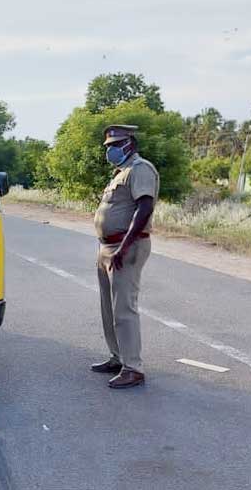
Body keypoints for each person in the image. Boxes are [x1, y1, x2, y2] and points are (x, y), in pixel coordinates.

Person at [92, 124, 159, 389]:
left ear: (129, 144)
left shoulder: (141, 169)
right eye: (108, 146)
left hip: (126, 247)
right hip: (108, 247)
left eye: (115, 145)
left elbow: (144, 208)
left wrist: (124, 247)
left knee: (124, 309)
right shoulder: (121, 172)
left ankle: (133, 367)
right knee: (108, 307)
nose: (111, 150)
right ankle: (117, 357)